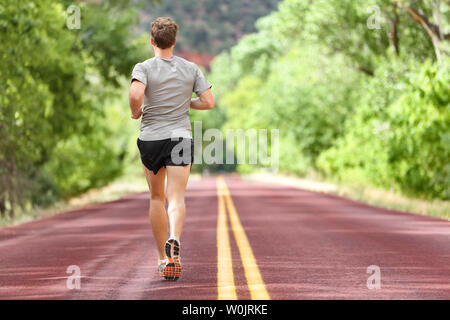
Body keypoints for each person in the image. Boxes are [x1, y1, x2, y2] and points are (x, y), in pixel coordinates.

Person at [129, 17, 214, 281]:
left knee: (156, 198)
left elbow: (135, 95)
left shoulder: (143, 68)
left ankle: (162, 259)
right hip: (179, 137)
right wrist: (183, 103)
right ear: (174, 41)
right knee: (176, 197)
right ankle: (174, 238)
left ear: (152, 41)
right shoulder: (191, 68)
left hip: (152, 138)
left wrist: (136, 113)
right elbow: (208, 101)